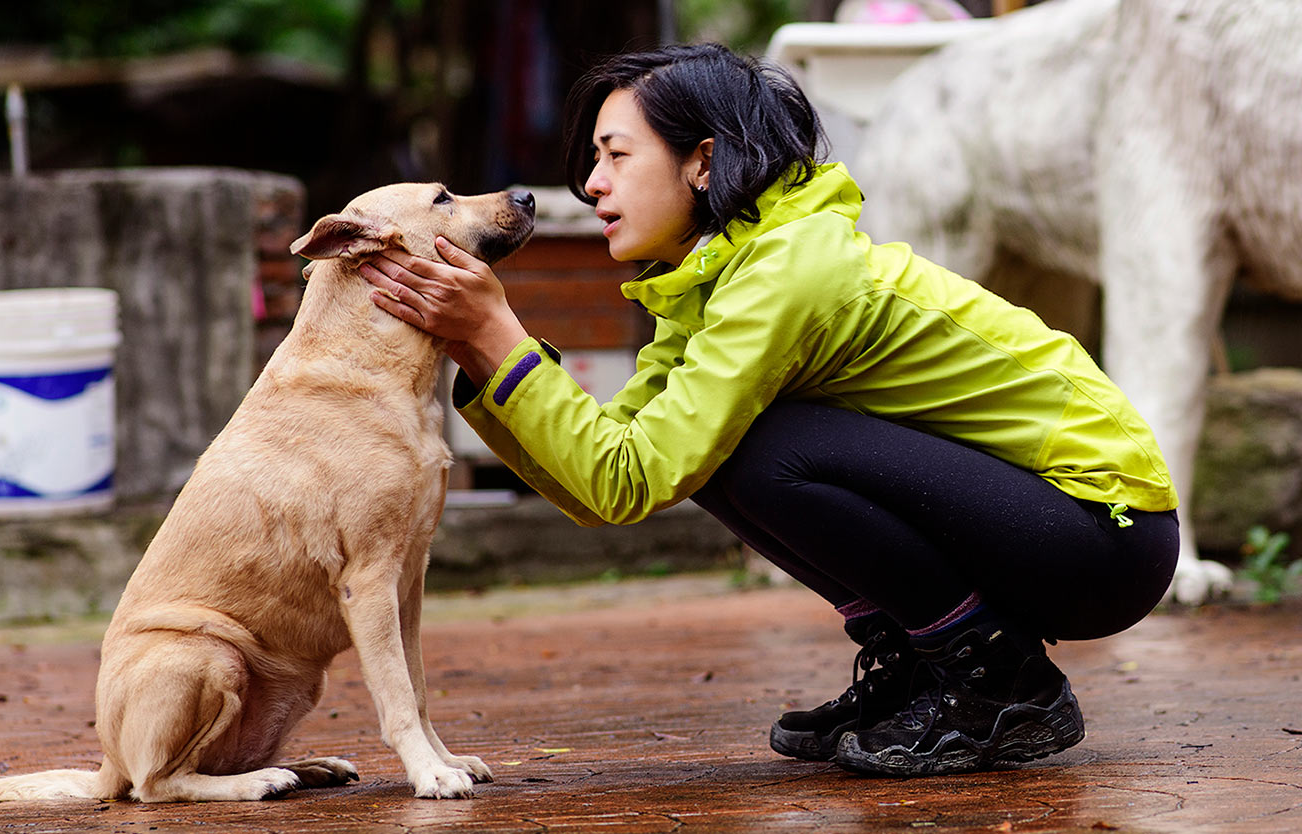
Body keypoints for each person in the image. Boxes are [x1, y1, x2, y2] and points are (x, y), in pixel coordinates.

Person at [358, 42, 1179, 777]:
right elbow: (608, 482)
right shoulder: (715, 281)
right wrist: (480, 343)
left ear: (703, 162)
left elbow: (636, 473)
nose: (591, 184)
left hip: (1102, 531)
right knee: (711, 444)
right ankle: (921, 666)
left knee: (753, 446)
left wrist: (500, 332)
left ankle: (1001, 682)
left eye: (614, 156)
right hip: (1041, 525)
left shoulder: (785, 270)